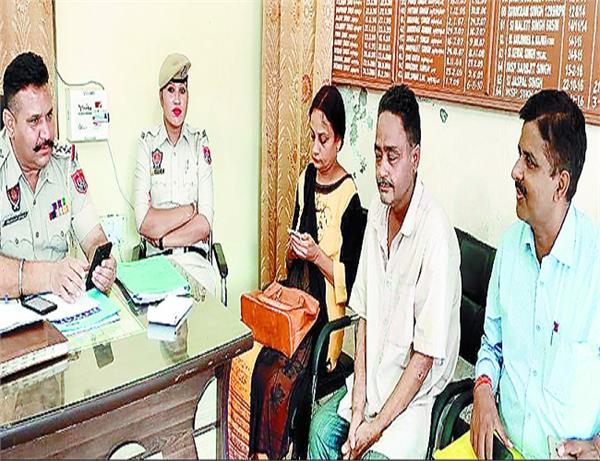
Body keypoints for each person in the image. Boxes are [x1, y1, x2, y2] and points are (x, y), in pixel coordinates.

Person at [308, 84, 461, 459]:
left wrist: (373, 429)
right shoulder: (378, 213)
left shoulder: (435, 236)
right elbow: (363, 318)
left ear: (415, 157)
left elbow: (423, 360)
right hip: (371, 386)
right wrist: (358, 408)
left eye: (393, 156)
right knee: (321, 432)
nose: (381, 170)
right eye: (377, 154)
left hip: (409, 404)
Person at [471, 90, 600, 459]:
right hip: (504, 450)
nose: (515, 171)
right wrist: (483, 391)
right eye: (519, 155)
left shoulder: (595, 266)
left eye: (529, 161)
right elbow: (492, 344)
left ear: (561, 184)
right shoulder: (510, 248)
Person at [248, 85, 366, 459]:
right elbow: (292, 260)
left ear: (339, 140)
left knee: (281, 384)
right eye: (311, 137)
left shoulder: (349, 196)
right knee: (258, 368)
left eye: (323, 139)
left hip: (324, 319)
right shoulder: (305, 180)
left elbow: (353, 282)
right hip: (298, 303)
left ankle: (280, 453)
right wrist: (294, 249)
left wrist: (316, 256)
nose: (315, 148)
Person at [0, 51, 115, 302]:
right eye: (34, 121)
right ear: (9, 123)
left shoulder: (64, 163)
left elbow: (93, 235)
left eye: (49, 116)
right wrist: (48, 276)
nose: (47, 133)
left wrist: (103, 263)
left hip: (62, 310)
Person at [134, 53, 216, 294]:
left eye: (183, 91)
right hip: (156, 265)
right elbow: (143, 222)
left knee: (202, 313)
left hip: (196, 262)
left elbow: (205, 223)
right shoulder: (147, 144)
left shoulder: (200, 142)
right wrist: (189, 210)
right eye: (171, 91)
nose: (177, 100)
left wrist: (163, 239)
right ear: (161, 97)